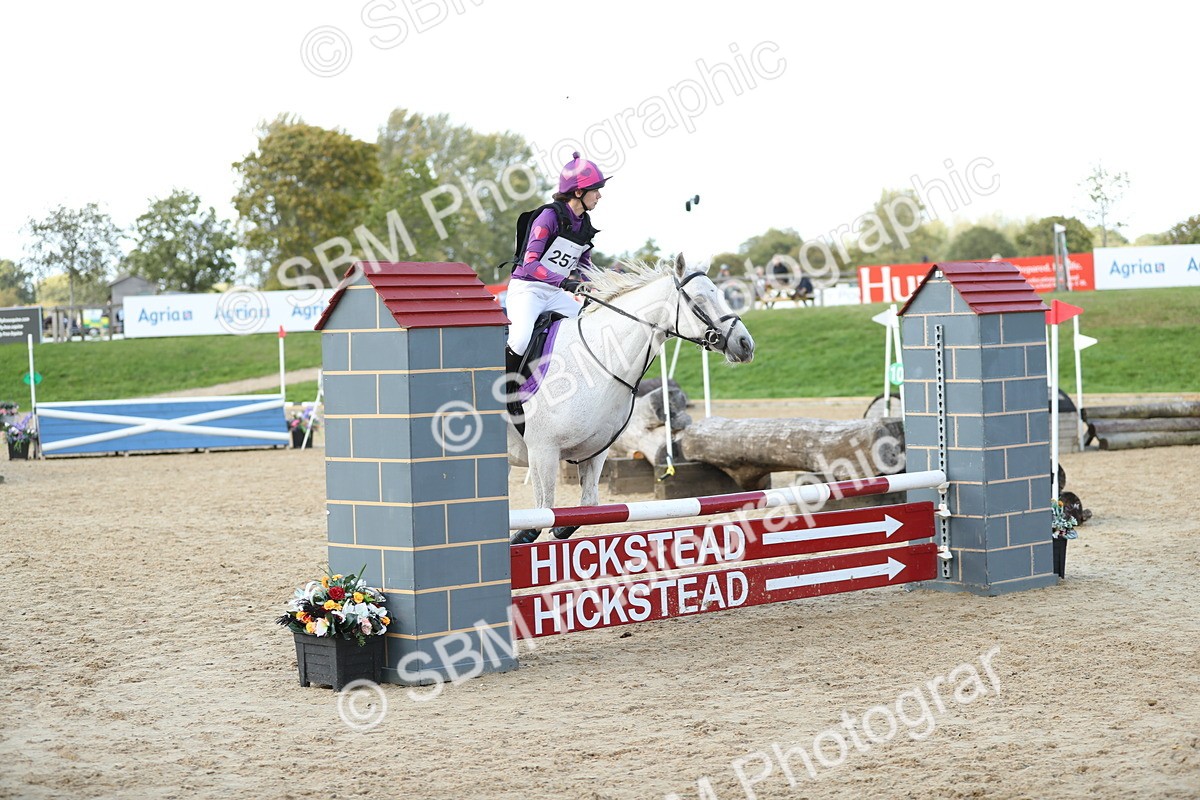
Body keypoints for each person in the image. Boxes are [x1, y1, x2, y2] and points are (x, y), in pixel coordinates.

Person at [505, 151, 610, 375]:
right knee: (520, 340)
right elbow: (530, 264)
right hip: (527, 290)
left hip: (553, 292)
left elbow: (584, 266)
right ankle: (507, 393)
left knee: (588, 325)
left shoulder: (584, 223)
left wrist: (599, 287)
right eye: (596, 190)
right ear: (579, 192)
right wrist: (564, 282)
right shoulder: (549, 217)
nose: (599, 196)